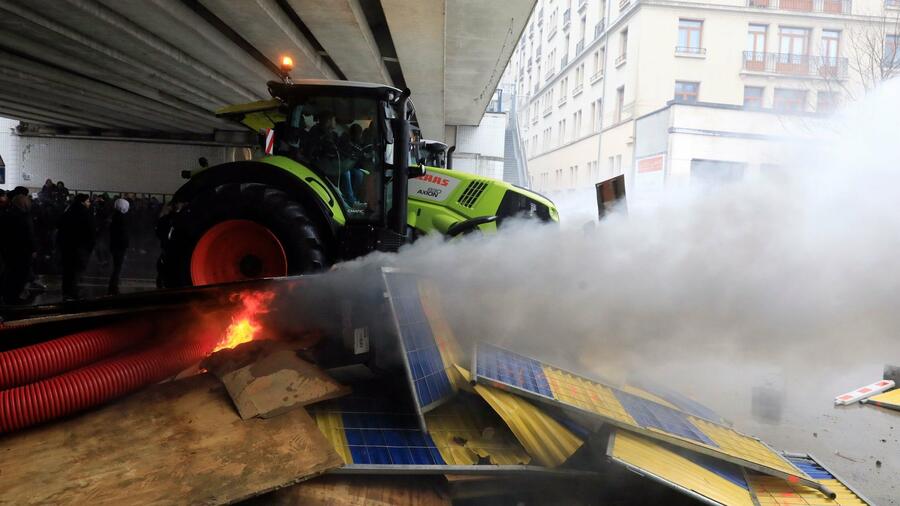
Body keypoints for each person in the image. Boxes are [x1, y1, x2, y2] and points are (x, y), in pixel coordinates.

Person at [57, 193, 94, 300]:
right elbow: (90, 231)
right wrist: (89, 246)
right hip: (80, 247)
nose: (89, 203)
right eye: (87, 201)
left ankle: (66, 291)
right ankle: (72, 292)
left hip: (66, 246)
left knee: (67, 270)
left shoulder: (68, 211)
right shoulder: (85, 213)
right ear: (82, 202)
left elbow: (59, 225)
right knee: (76, 271)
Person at [0, 194, 36, 304]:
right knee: (19, 274)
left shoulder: (7, 214)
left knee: (10, 273)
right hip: (22, 251)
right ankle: (13, 298)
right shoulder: (23, 216)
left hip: (9, 250)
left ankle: (8, 296)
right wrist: (33, 249)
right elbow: (29, 235)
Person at [107, 198, 130, 295]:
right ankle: (114, 284)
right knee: (118, 266)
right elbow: (124, 234)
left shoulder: (114, 216)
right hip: (119, 246)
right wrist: (126, 245)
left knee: (116, 265)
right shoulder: (122, 218)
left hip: (114, 244)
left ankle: (114, 283)